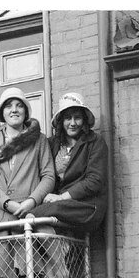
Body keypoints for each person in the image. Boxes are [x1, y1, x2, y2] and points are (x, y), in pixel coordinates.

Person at [0, 87, 56, 278]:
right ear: (2, 112)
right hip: (3, 217)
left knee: (35, 273)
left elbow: (49, 175)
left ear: (26, 110)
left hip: (29, 215)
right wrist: (7, 204)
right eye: (9, 106)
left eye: (19, 105)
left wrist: (32, 201)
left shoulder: (38, 139)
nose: (14, 110)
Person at [29, 92, 108, 235]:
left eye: (77, 117)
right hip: (58, 207)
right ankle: (61, 255)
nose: (72, 123)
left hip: (85, 206)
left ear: (84, 120)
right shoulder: (52, 144)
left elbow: (94, 181)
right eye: (67, 118)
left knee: (29, 217)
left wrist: (60, 197)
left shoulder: (95, 142)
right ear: (61, 121)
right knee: (39, 228)